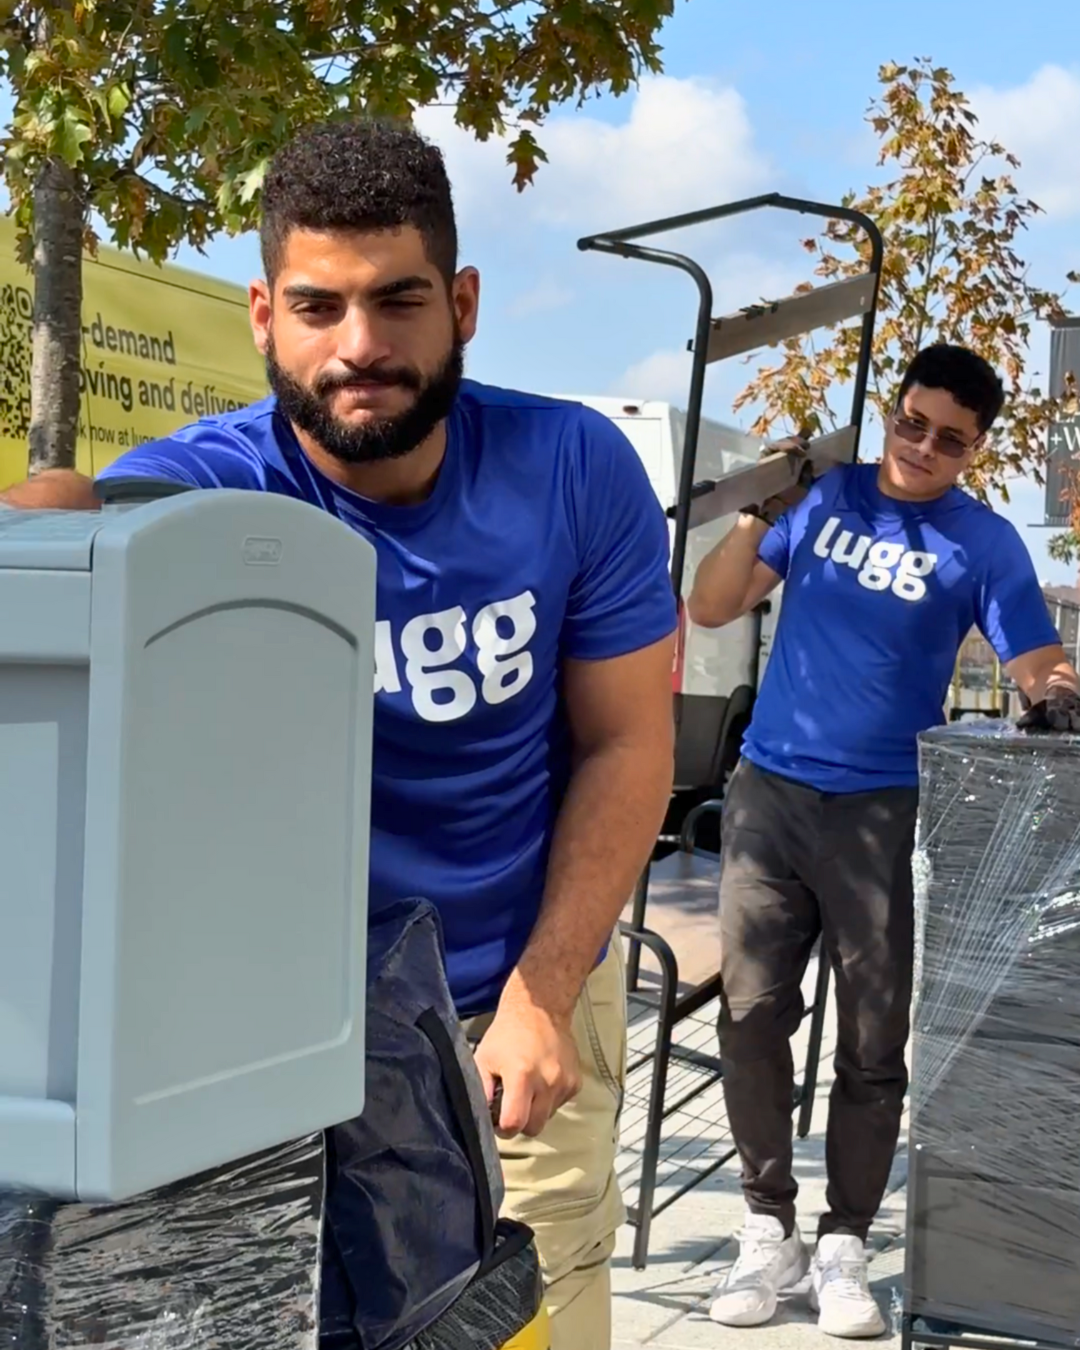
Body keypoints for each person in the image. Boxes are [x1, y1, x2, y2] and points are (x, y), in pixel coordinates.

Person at [0, 118, 677, 1349]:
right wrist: (42, 537)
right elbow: (65, 615)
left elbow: (627, 746)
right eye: (318, 307)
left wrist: (542, 992)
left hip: (507, 1006)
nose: (359, 346)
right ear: (264, 317)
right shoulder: (195, 495)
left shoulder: (575, 468)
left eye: (398, 300)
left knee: (521, 1322)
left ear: (462, 304)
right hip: (262, 1046)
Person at [686, 343, 1080, 1340]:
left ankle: (845, 1243)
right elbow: (712, 605)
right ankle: (766, 1226)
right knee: (752, 1016)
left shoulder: (983, 542)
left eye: (950, 439)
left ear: (974, 449)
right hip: (770, 797)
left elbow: (1039, 659)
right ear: (892, 412)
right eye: (911, 422)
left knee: (872, 1040)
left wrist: (1057, 695)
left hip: (885, 812)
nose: (922, 447)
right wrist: (759, 511)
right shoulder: (824, 500)